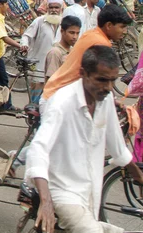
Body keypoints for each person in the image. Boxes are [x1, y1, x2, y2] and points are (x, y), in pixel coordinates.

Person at [26, 45, 143, 233]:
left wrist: (137, 175)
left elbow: (117, 146)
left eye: (112, 81)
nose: (108, 87)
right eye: (101, 80)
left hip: (88, 190)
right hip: (61, 191)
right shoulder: (62, 102)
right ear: (83, 73)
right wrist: (46, 202)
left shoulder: (104, 100)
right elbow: (38, 149)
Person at [43, 3, 131, 101]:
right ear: (109, 25)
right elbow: (104, 78)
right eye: (122, 27)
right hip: (59, 99)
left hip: (57, 93)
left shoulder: (91, 34)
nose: (124, 31)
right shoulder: (101, 43)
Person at [19, 0, 63, 104]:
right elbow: (26, 36)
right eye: (51, 7)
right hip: (39, 64)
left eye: (56, 7)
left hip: (57, 66)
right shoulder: (39, 21)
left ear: (61, 9)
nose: (53, 10)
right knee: (36, 94)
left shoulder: (64, 24)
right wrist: (24, 45)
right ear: (47, 8)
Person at [45, 15, 81, 83]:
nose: (75, 37)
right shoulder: (55, 53)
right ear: (62, 31)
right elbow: (51, 82)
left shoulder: (73, 51)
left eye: (77, 33)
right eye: (72, 33)